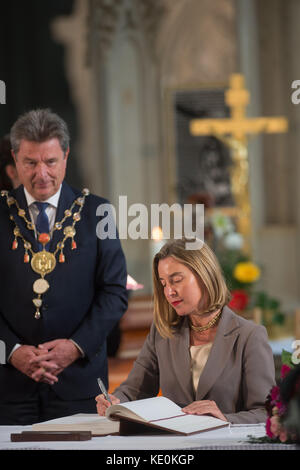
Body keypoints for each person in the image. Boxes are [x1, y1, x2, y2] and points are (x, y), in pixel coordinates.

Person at [0, 108, 128, 425]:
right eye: (30, 162)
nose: (41, 173)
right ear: (15, 159)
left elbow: (114, 293)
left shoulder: (98, 212)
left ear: (66, 157)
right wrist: (12, 351)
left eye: (50, 161)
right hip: (7, 388)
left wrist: (74, 347)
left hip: (81, 383)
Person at [96, 238, 276, 424]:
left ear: (204, 274)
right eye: (164, 283)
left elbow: (265, 412)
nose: (169, 292)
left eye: (176, 280)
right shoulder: (162, 333)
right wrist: (115, 401)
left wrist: (225, 419)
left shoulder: (249, 336)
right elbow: (133, 390)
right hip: (175, 445)